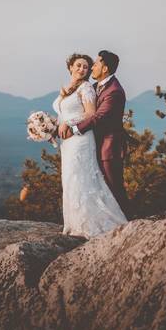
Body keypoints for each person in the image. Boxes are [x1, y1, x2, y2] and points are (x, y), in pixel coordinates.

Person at [53, 52, 128, 238]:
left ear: (105, 68)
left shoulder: (112, 90)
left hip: (100, 143)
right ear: (70, 67)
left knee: (108, 184)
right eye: (80, 65)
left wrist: (71, 127)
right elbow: (69, 112)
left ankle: (124, 225)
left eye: (91, 65)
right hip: (71, 141)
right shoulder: (91, 86)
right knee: (72, 179)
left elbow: (96, 115)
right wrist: (50, 128)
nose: (88, 68)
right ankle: (74, 222)